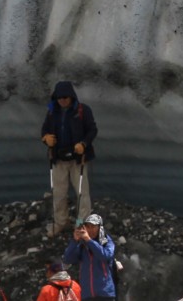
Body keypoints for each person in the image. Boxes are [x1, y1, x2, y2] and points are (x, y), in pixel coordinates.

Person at [40, 79, 99, 233]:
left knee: (82, 194)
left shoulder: (83, 110)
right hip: (58, 159)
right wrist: (45, 138)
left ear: (71, 96)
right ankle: (60, 222)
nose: (62, 100)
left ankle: (81, 225)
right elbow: (44, 129)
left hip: (78, 159)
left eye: (65, 97)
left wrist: (84, 144)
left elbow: (92, 130)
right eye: (59, 98)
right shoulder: (52, 112)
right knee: (59, 193)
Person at [63, 214, 119, 301]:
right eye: (88, 227)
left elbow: (105, 255)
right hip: (87, 294)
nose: (90, 229)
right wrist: (74, 241)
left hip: (105, 293)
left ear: (99, 228)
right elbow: (67, 259)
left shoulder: (106, 241)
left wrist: (89, 240)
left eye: (93, 226)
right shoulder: (82, 245)